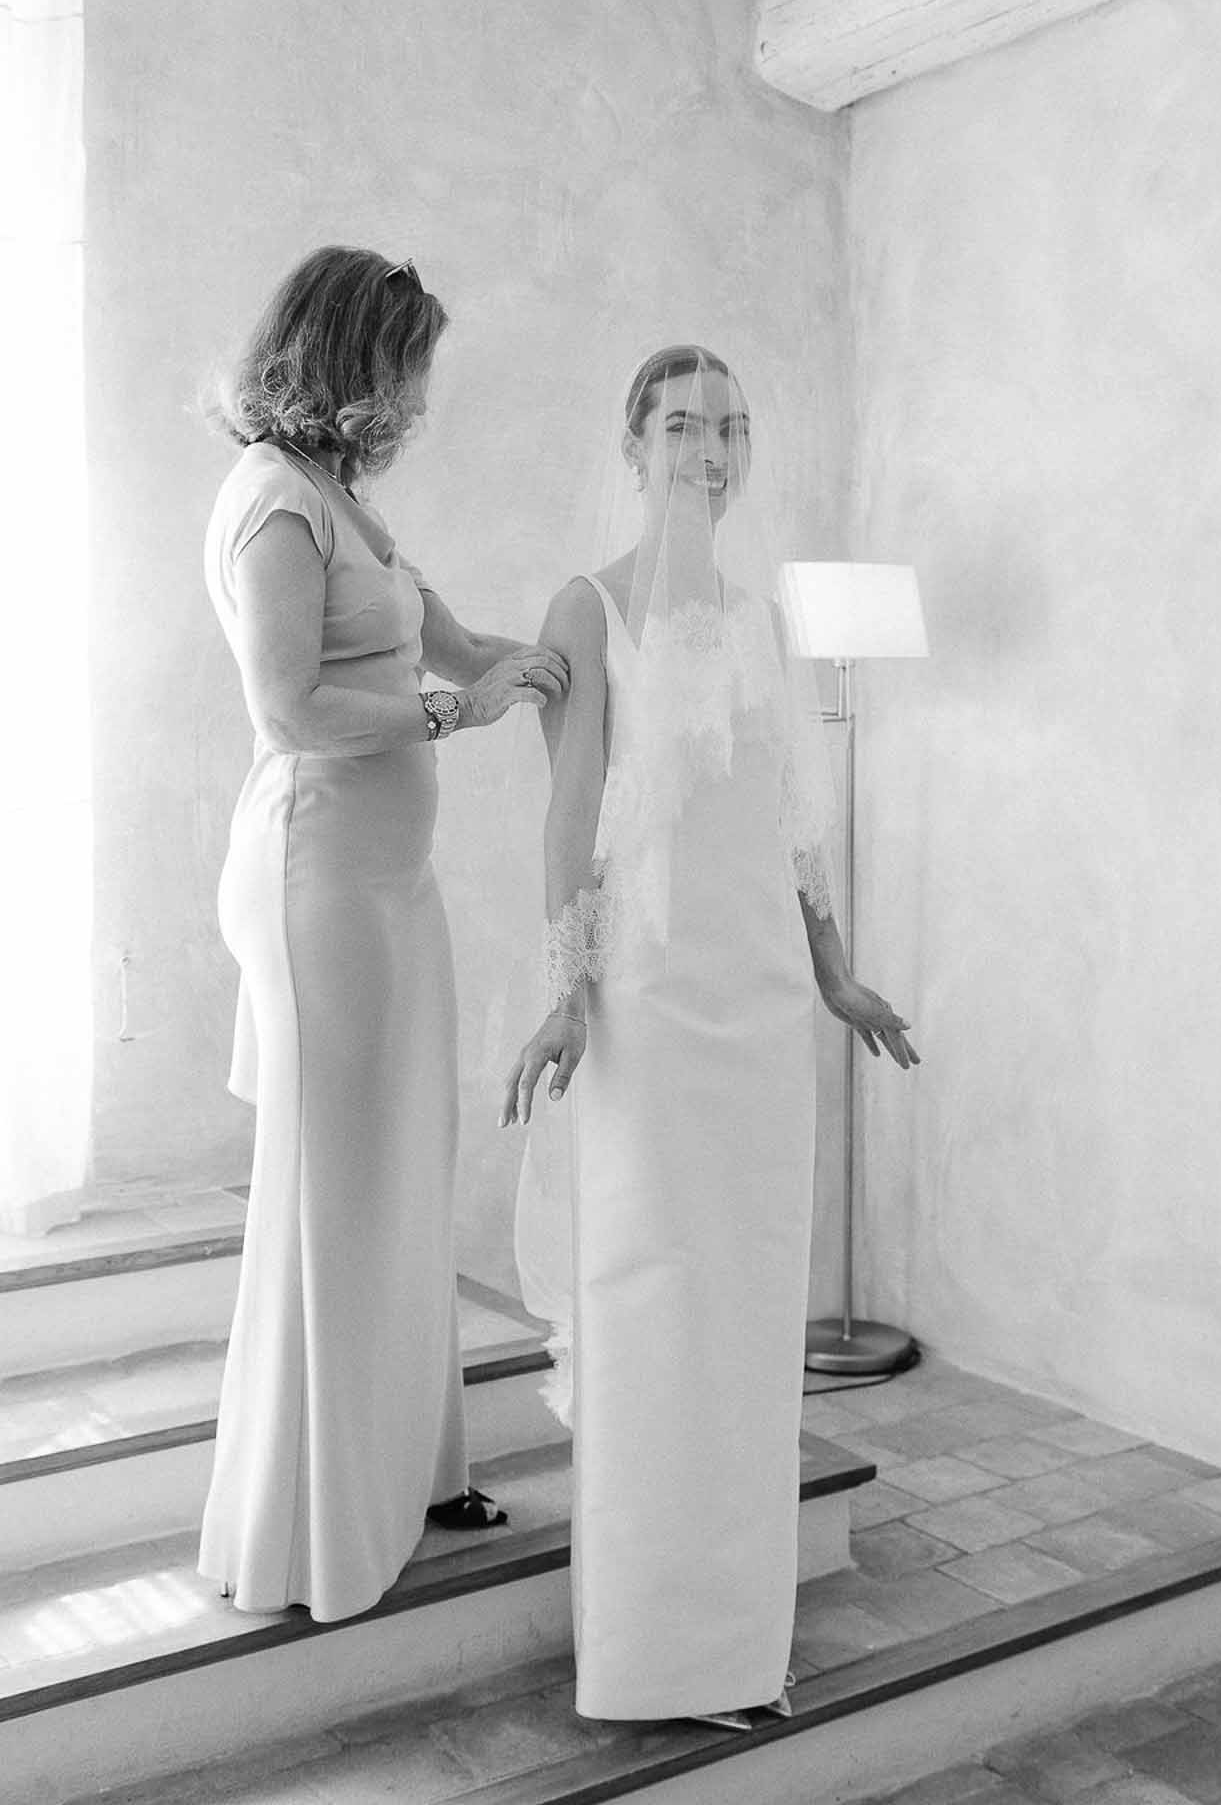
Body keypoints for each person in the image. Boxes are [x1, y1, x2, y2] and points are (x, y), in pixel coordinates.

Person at [501, 345, 917, 1726]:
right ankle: (643, 1662)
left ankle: (737, 1652)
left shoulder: (759, 618)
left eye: (732, 426)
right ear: (633, 440)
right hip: (650, 1022)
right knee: (649, 1323)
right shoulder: (587, 607)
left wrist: (839, 974)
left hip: (760, 1021)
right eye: (684, 425)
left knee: (741, 1339)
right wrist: (567, 992)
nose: (713, 450)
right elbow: (570, 819)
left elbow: (795, 819)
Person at [199, 245, 568, 1622]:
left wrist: (562, 661)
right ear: (351, 358)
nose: (418, 394)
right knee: (340, 1182)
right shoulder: (271, 507)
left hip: (387, 882)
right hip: (316, 881)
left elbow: (463, 647)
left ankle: (407, 1472)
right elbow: (290, 712)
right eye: (407, 363)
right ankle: (314, 1516)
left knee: (406, 1171)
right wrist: (443, 716)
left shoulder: (347, 503)